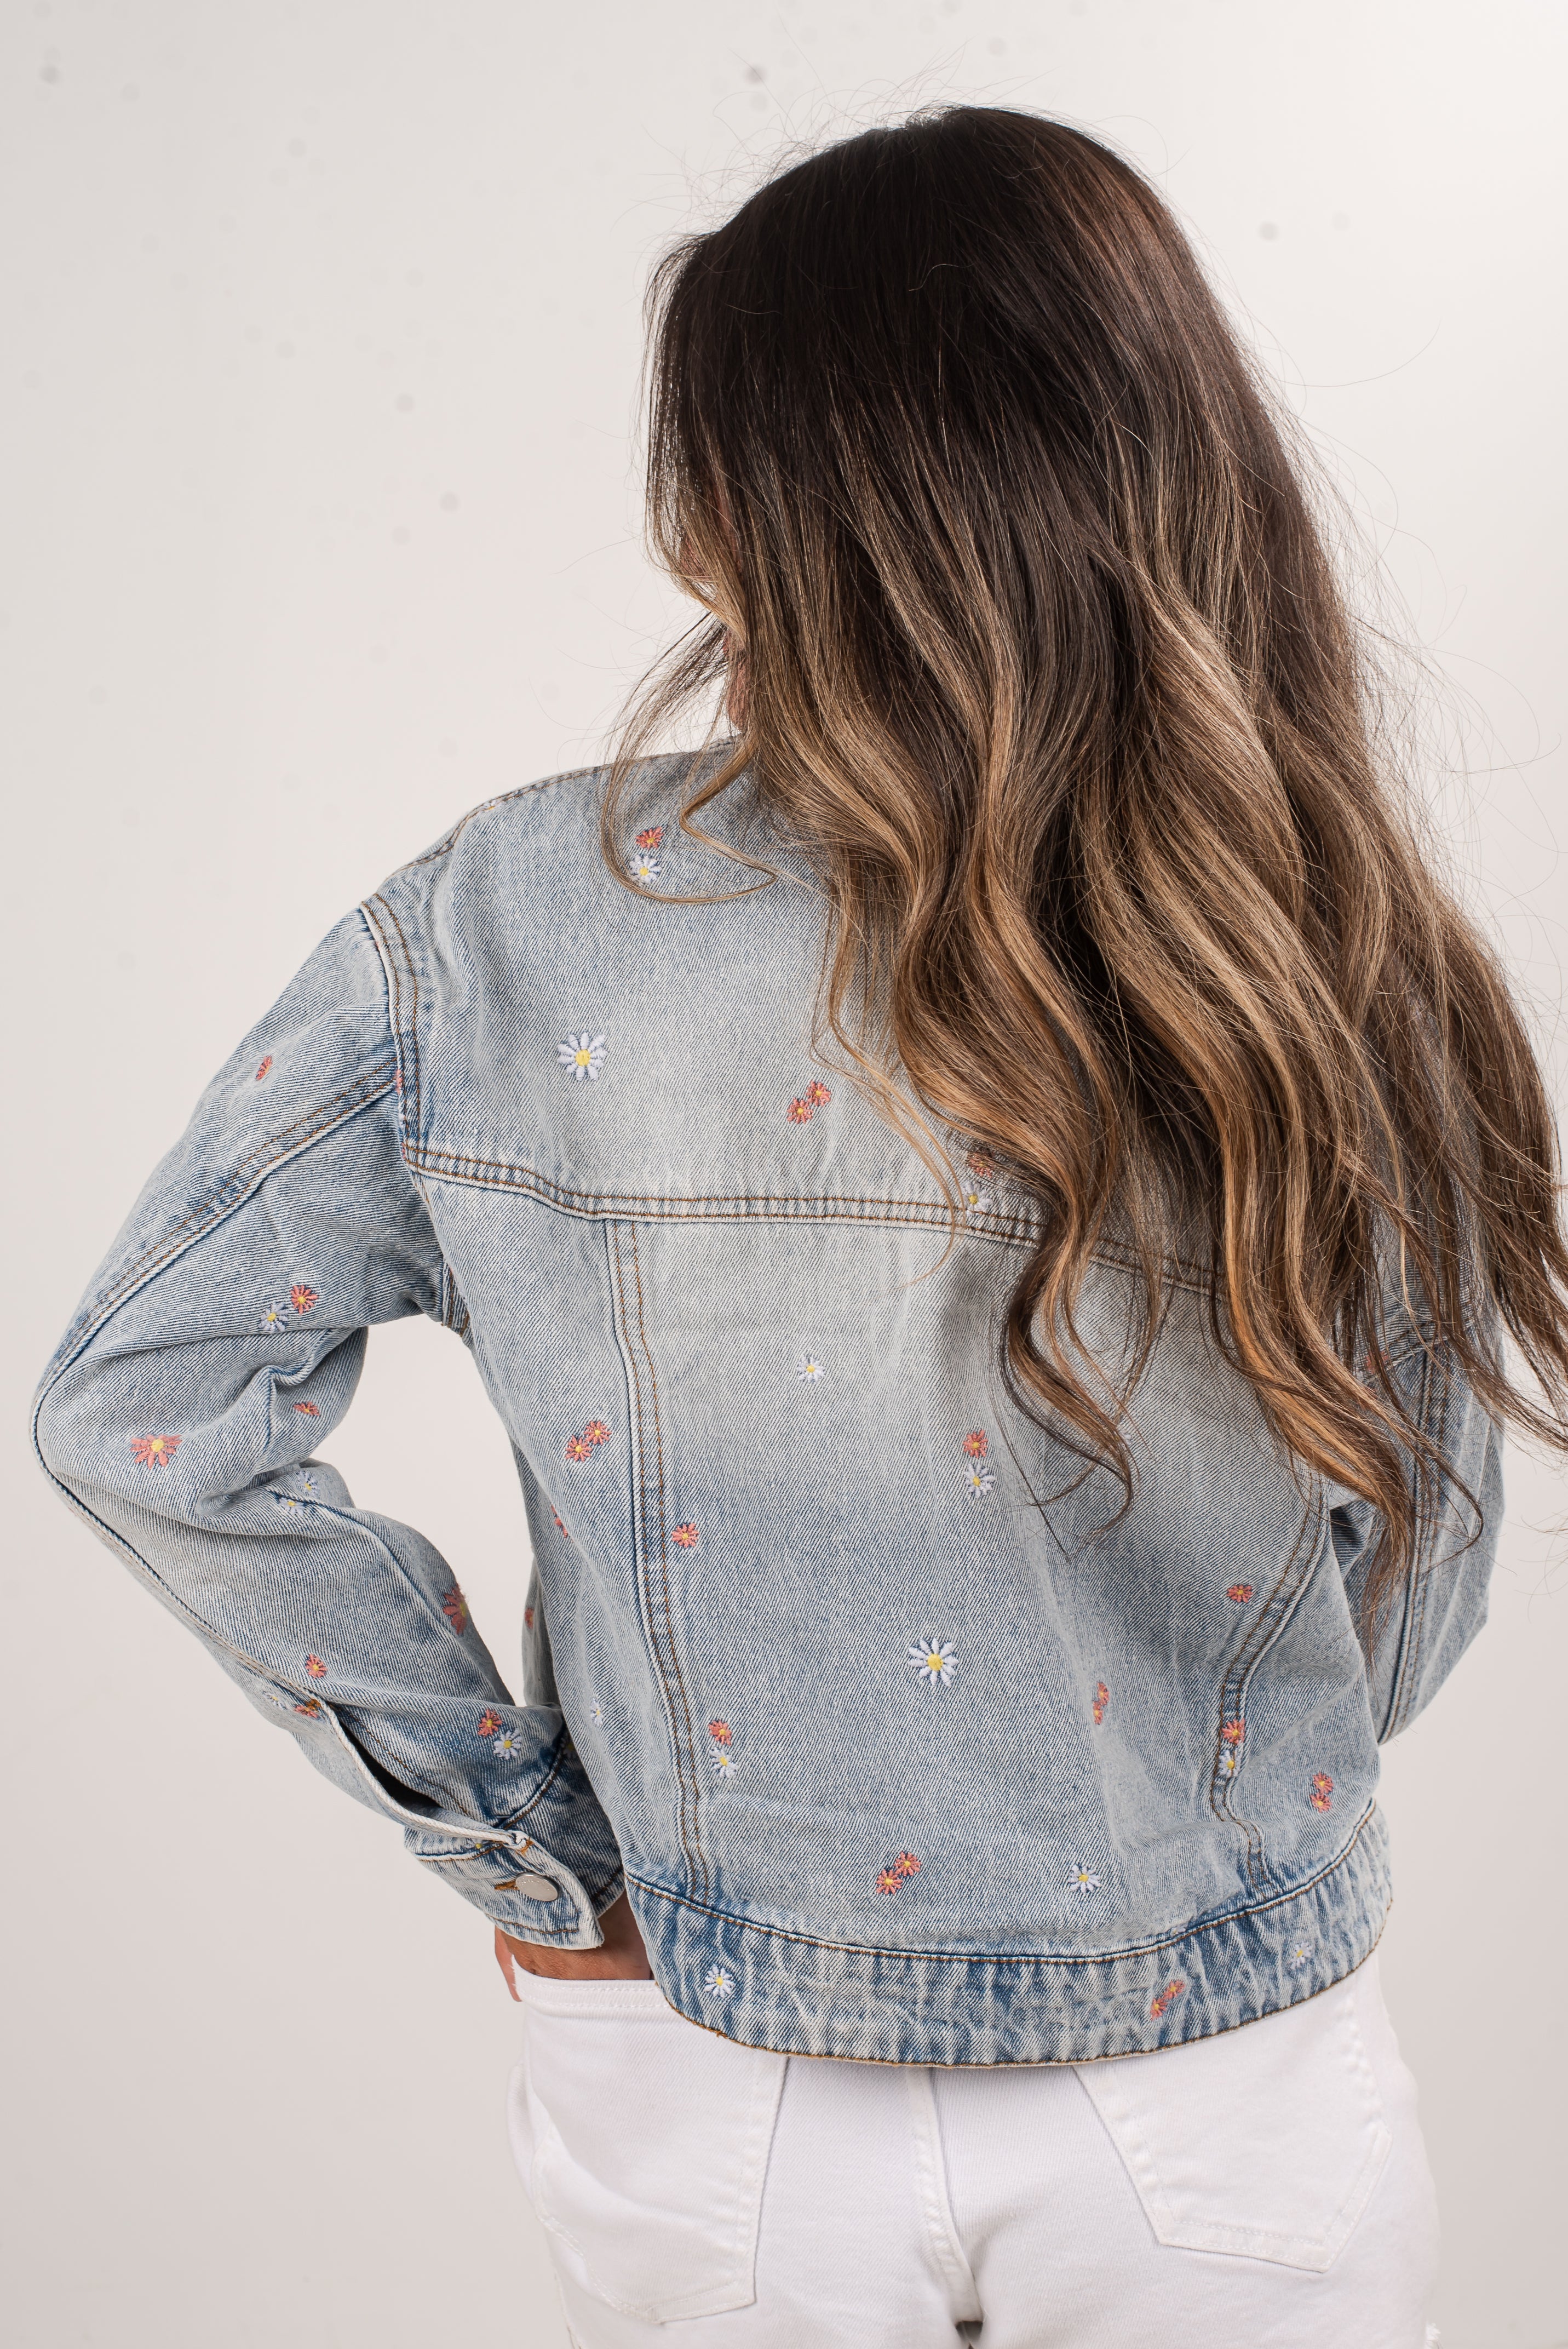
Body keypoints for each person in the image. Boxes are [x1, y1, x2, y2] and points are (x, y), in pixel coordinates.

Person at [32, 107, 1568, 2347]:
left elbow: (136, 1411)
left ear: (755, 500)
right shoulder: (1313, 924)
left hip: (712, 2092)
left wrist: (529, 1849)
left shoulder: (506, 918)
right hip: (1221, 2091)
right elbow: (1405, 1575)